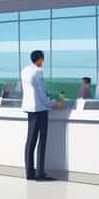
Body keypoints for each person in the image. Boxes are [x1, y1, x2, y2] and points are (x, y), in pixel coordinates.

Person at [21, 50, 62, 180]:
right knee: (42, 141)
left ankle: (29, 173)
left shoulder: (25, 70)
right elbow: (42, 95)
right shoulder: (38, 72)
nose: (43, 62)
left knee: (30, 141)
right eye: (42, 59)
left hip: (29, 109)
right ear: (40, 59)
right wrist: (54, 104)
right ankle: (40, 173)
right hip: (40, 110)